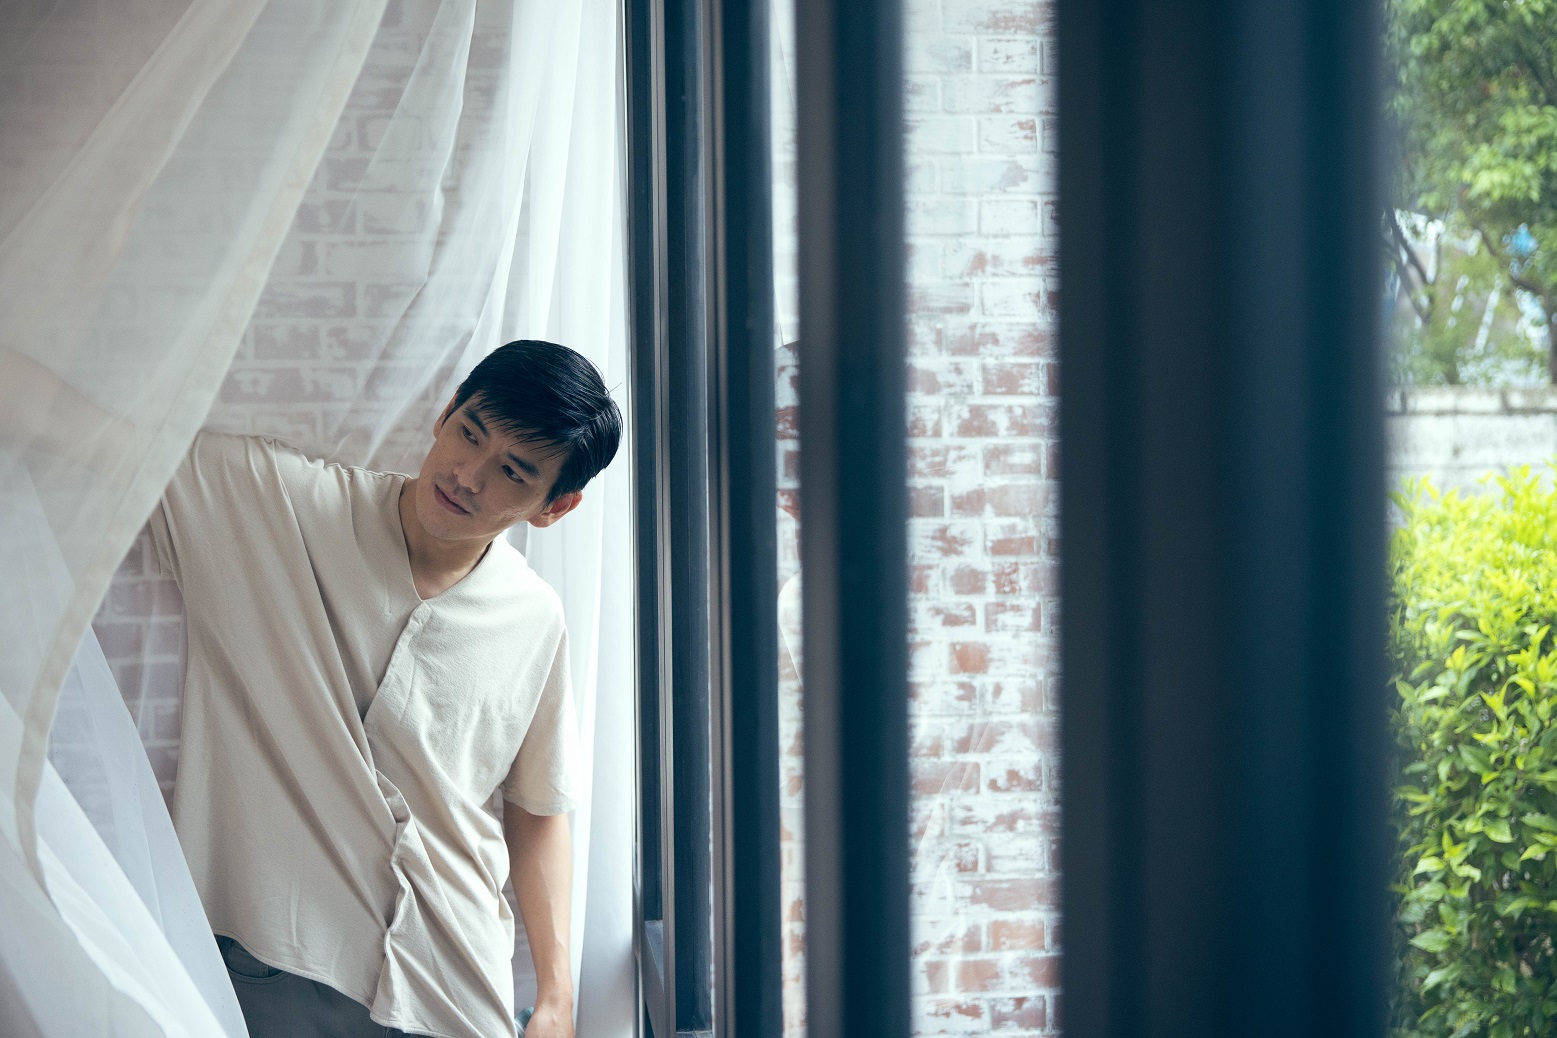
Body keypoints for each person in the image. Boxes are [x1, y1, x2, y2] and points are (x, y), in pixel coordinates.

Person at [146, 339, 622, 1038]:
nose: (467, 475)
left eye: (512, 471)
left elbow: (538, 805)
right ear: (445, 413)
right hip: (281, 956)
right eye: (469, 433)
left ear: (555, 507)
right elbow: (115, 436)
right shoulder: (281, 503)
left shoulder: (535, 618)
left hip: (454, 977)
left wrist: (556, 993)